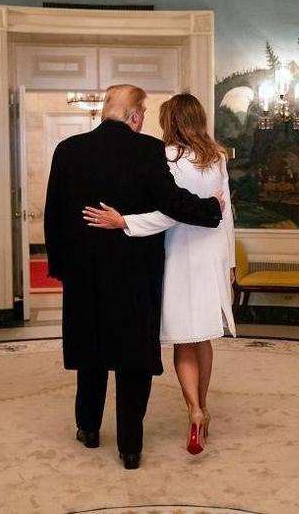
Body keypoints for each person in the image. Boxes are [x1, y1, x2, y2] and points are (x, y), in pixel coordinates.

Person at [44, 84, 224, 470]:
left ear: (104, 111)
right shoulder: (147, 150)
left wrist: (60, 268)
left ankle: (88, 428)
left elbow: (53, 216)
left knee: (90, 355)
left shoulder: (67, 150)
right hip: (134, 277)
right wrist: (213, 208)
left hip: (84, 275)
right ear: (136, 116)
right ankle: (130, 447)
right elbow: (171, 203)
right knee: (132, 361)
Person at [83, 94, 236, 456]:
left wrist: (126, 222)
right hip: (212, 255)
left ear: (170, 122)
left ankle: (194, 411)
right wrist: (229, 262)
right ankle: (204, 408)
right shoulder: (217, 157)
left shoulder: (165, 156)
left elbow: (173, 212)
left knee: (184, 339)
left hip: (179, 254)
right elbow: (226, 213)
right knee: (204, 339)